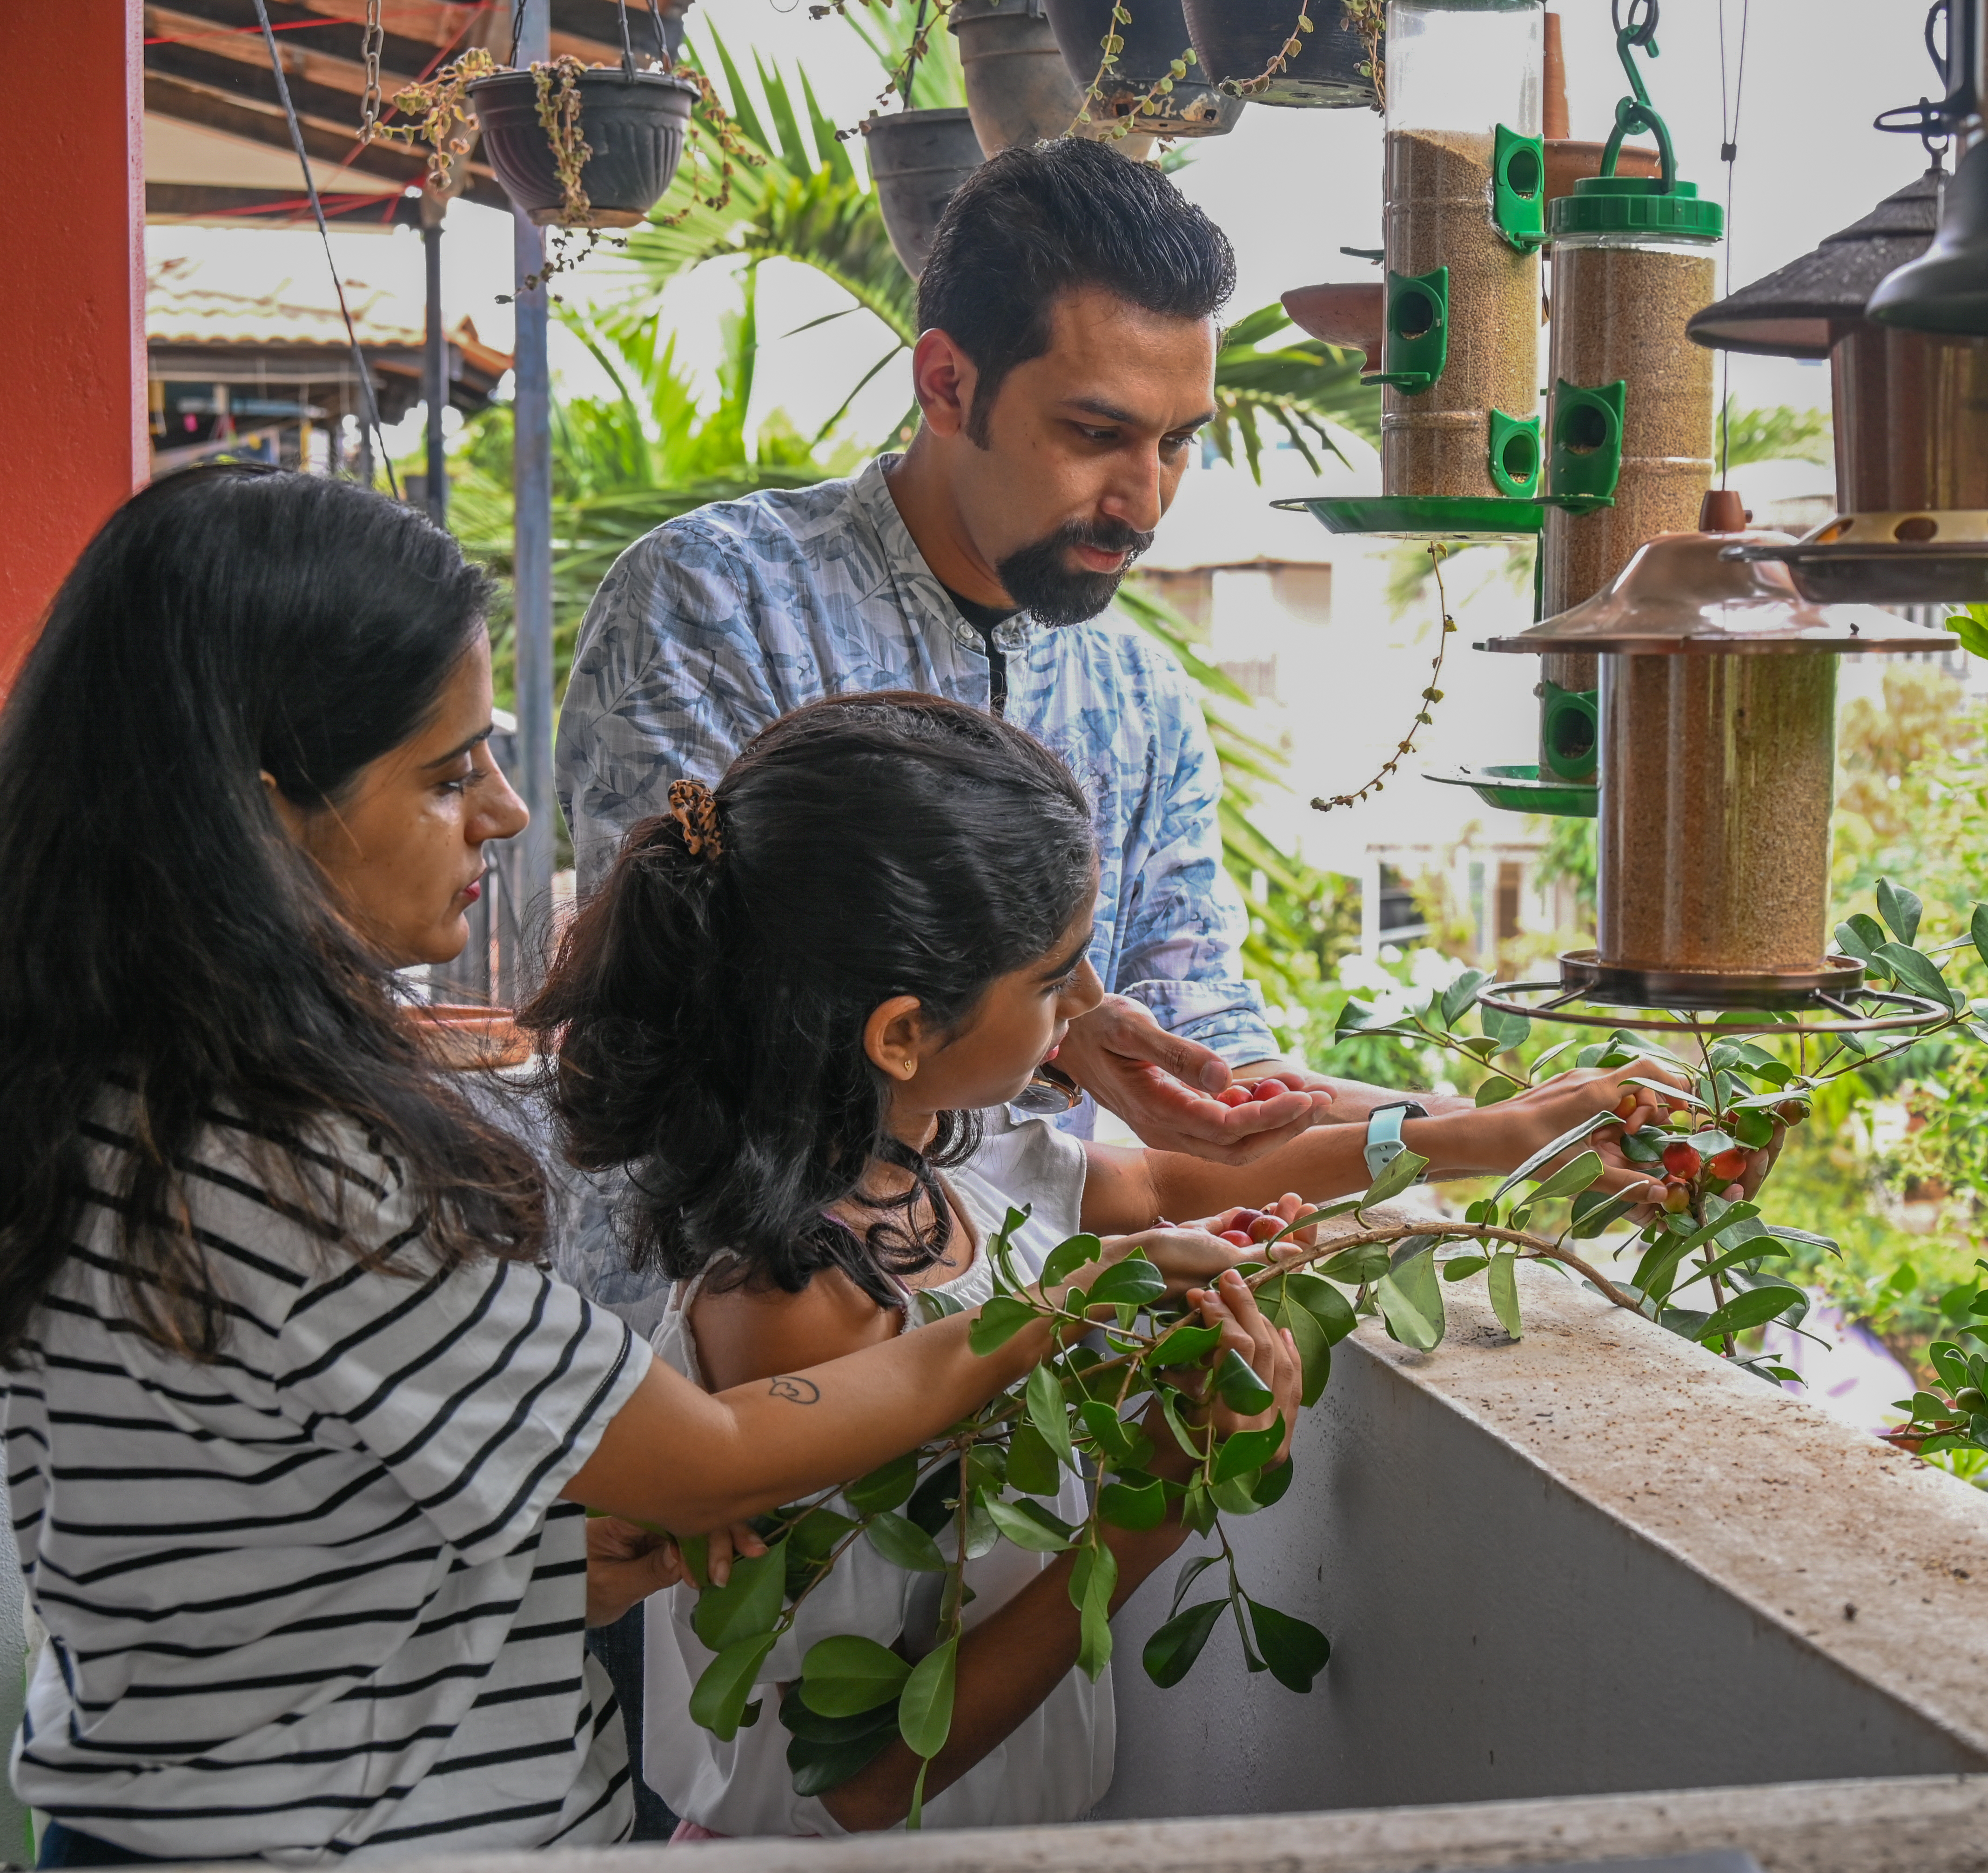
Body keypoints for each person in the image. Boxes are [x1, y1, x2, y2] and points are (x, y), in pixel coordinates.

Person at [0, 465, 1293, 1865]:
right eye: (448, 774)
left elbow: (242, 1555)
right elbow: (716, 1462)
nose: (503, 812)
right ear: (271, 812)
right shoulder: (277, 1162)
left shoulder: (120, 1102)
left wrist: (538, 1568)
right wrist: (1069, 1318)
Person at [525, 693, 1683, 1837]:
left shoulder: (939, 1153)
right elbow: (867, 1778)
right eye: (1052, 978)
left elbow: (1181, 1182)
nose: (1088, 1005)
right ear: (900, 1033)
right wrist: (1159, 1507)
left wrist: (1479, 1134)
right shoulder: (795, 1303)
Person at [558, 136, 1420, 1175]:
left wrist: (1483, 1127)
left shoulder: (1138, 696)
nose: (1144, 501)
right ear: (947, 385)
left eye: (1178, 440)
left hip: (1049, 1319)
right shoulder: (715, 600)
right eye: (1097, 433)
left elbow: (1193, 1019)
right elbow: (685, 1011)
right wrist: (1061, 1045)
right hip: (736, 1316)